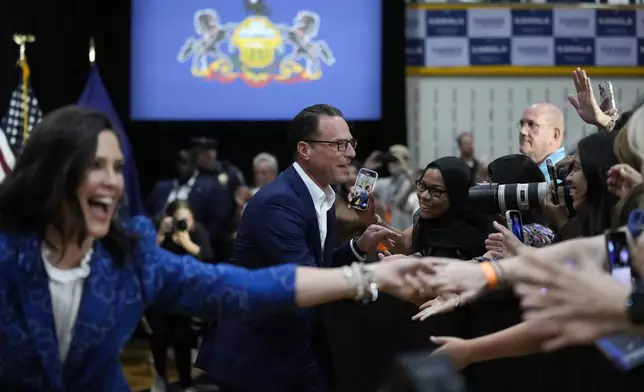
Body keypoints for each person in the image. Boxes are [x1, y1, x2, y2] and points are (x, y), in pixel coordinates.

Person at [0, 105, 438, 392]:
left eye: (118, 168)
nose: (113, 181)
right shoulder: (8, 256)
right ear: (54, 173)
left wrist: (365, 267)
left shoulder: (130, 254)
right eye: (96, 166)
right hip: (262, 361)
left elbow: (235, 287)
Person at [196, 104, 403, 392]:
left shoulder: (323, 194)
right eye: (339, 144)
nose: (352, 154)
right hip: (258, 354)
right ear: (305, 150)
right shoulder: (278, 203)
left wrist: (358, 245)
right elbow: (308, 279)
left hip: (294, 343)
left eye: (351, 143)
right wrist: (377, 278)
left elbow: (321, 265)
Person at [148, 200, 214, 392]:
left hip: (183, 297)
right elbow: (145, 257)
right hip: (159, 296)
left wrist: (187, 243)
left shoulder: (196, 232)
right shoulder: (163, 231)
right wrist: (160, 234)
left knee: (181, 340)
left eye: (187, 219)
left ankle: (186, 383)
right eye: (179, 220)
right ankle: (160, 378)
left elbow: (208, 257)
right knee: (158, 337)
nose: (183, 223)